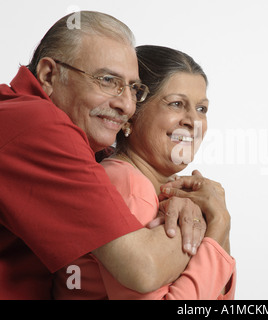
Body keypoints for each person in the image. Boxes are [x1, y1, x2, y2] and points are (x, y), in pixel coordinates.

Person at [0, 11, 220, 299]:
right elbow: (143, 268)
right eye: (107, 80)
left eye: (133, 88)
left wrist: (181, 200)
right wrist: (213, 223)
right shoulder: (38, 124)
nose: (126, 105)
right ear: (48, 75)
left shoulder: (87, 144)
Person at [52, 45, 236, 300]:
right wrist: (219, 226)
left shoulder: (166, 190)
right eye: (176, 104)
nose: (193, 120)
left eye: (201, 109)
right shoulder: (128, 186)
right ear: (131, 115)